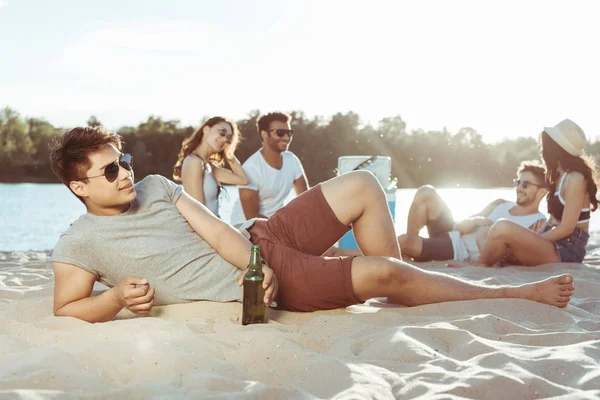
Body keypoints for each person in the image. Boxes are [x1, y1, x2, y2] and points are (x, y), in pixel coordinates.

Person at [49, 127, 575, 323]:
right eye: (112, 169)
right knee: (384, 274)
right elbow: (68, 305)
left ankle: (400, 278)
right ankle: (521, 293)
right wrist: (115, 298)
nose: (126, 175)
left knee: (366, 186)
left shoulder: (156, 188)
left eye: (126, 163)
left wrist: (258, 258)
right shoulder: (79, 242)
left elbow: (215, 230)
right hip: (258, 289)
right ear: (79, 187)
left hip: (260, 245)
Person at [479, 119, 598, 266]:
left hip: (567, 250)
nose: (542, 148)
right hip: (551, 243)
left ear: (555, 147)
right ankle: (484, 263)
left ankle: (479, 266)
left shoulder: (576, 178)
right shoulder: (558, 176)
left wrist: (531, 241)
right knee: (487, 233)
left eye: (545, 144)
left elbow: (567, 228)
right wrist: (532, 237)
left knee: (502, 226)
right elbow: (551, 221)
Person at [398, 161, 548, 262]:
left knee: (403, 242)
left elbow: (516, 256)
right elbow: (467, 221)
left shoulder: (537, 223)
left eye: (526, 184)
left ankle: (410, 248)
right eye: (518, 182)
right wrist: (475, 221)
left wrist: (489, 231)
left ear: (542, 192)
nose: (519, 188)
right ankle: (409, 253)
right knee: (426, 192)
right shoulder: (500, 203)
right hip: (455, 230)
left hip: (459, 249)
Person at [230, 112, 308, 227]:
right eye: (280, 133)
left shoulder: (292, 160)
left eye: (289, 133)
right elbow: (252, 217)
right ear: (264, 134)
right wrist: (286, 227)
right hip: (245, 227)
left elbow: (306, 199)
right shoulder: (252, 168)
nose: (286, 137)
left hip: (276, 224)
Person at [173, 117, 249, 217]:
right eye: (222, 132)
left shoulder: (210, 167)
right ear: (206, 129)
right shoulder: (193, 161)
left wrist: (229, 153)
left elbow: (243, 180)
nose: (224, 139)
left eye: (228, 138)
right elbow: (197, 212)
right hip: (205, 230)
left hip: (215, 225)